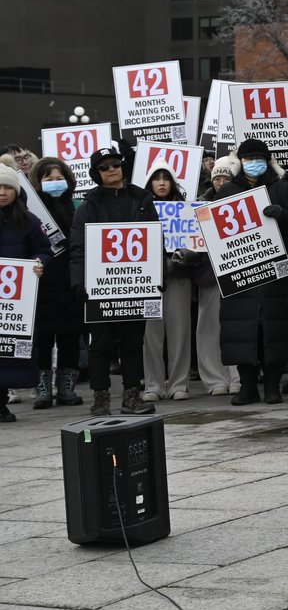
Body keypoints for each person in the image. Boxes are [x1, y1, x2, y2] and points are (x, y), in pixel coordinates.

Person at [214, 139, 288, 406]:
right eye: (248, 158)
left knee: (274, 330)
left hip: (276, 274)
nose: (253, 163)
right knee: (242, 330)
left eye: (258, 158)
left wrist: (284, 216)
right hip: (240, 276)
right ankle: (248, 385)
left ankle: (273, 384)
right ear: (240, 162)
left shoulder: (281, 187)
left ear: (267, 160)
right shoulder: (228, 190)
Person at [70, 147, 159, 416]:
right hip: (100, 288)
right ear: (96, 174)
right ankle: (101, 398)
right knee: (101, 344)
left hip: (136, 284)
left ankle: (132, 396)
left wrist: (158, 279)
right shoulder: (89, 205)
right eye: (104, 167)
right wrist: (78, 283)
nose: (112, 169)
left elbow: (155, 241)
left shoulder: (142, 199)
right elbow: (78, 247)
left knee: (133, 342)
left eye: (115, 164)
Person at [141, 162, 200, 401]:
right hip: (148, 277)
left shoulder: (186, 209)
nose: (162, 182)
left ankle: (178, 384)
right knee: (150, 335)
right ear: (149, 183)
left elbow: (197, 243)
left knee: (180, 331)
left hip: (178, 276)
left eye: (166, 178)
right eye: (157, 178)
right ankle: (153, 385)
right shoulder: (139, 209)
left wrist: (184, 257)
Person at [28, 157, 83, 407]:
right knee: (43, 337)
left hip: (71, 281)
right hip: (42, 282)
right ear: (38, 183)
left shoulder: (78, 207)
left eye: (58, 178)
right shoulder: (30, 211)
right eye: (48, 179)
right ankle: (42, 388)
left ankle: (66, 387)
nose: (54, 182)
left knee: (70, 337)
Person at [0, 164, 51, 421]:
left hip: (16, 300)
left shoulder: (29, 221)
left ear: (16, 191)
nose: (2, 192)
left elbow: (43, 249)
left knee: (9, 351)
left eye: (7, 187)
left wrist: (40, 263)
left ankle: (1, 401)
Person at [196, 158, 238, 396]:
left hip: (235, 273)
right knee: (209, 328)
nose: (221, 183)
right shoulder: (199, 205)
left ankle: (236, 377)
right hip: (209, 274)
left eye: (226, 178)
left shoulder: (242, 201)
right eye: (217, 178)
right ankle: (214, 380)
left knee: (234, 328)